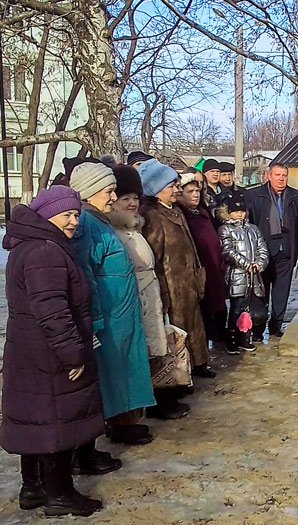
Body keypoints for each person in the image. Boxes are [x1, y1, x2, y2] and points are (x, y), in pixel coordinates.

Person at [2, 187, 105, 517]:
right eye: (66, 215)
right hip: (49, 350)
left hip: (30, 347)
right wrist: (73, 353)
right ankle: (59, 494)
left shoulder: (31, 246)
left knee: (35, 417)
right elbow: (53, 310)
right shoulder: (45, 251)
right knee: (56, 419)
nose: (74, 221)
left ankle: (32, 488)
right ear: (47, 216)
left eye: (76, 214)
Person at [70, 161, 156, 458]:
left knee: (122, 371)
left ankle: (124, 421)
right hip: (106, 315)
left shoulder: (100, 220)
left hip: (120, 312)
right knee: (106, 377)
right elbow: (84, 275)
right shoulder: (86, 225)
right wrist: (93, 319)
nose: (113, 197)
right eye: (109, 191)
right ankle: (94, 443)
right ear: (91, 191)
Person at [108, 166, 191, 421]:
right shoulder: (114, 231)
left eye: (135, 198)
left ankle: (152, 404)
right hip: (132, 304)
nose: (132, 203)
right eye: (125, 199)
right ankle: (127, 419)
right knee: (135, 360)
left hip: (150, 299)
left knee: (155, 353)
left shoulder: (133, 227)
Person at [139, 159, 216, 379]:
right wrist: (163, 292)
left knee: (194, 326)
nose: (177, 189)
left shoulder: (175, 211)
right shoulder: (152, 216)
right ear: (156, 189)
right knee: (177, 332)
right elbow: (153, 259)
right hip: (172, 287)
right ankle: (177, 378)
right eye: (171, 186)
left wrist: (198, 273)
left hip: (188, 282)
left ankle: (198, 364)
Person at [245, 162, 298, 339]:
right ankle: (258, 329)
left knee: (282, 291)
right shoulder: (254, 195)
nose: (281, 179)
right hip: (263, 250)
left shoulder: (295, 196)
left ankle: (276, 326)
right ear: (269, 176)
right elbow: (248, 225)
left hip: (287, 248)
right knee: (261, 291)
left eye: (284, 175)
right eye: (277, 175)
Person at [177, 172, 228, 350]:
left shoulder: (202, 211)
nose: (195, 194)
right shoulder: (181, 215)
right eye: (190, 191)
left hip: (213, 269)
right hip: (197, 273)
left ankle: (213, 342)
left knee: (215, 309)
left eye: (197, 190)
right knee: (201, 315)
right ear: (180, 194)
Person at [219, 193, 270, 354]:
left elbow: (262, 248)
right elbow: (227, 251)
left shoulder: (253, 229)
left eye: (242, 211)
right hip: (237, 276)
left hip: (254, 276)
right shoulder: (226, 229)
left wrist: (260, 263)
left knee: (249, 310)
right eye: (236, 211)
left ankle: (245, 337)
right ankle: (232, 339)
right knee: (236, 309)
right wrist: (246, 264)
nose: (240, 214)